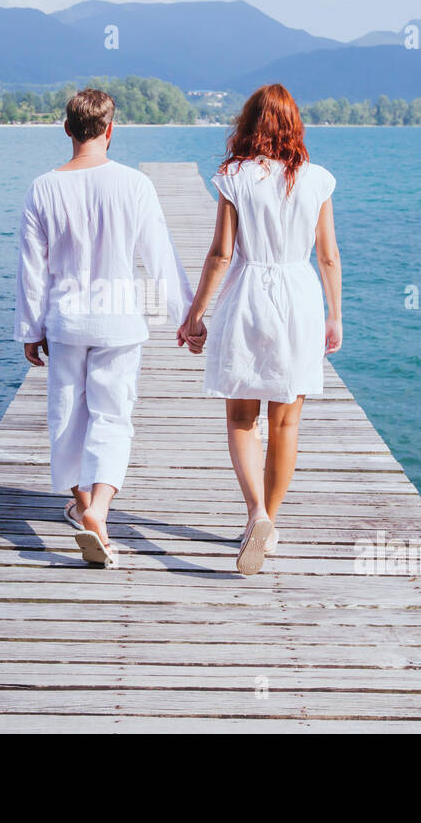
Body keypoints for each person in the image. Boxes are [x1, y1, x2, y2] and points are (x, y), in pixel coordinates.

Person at [15, 88, 194, 568]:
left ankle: (78, 504)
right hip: (120, 322)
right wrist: (188, 316)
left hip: (67, 321)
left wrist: (30, 329)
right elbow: (161, 258)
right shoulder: (135, 185)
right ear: (111, 131)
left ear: (67, 129)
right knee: (113, 418)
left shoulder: (42, 187)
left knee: (69, 416)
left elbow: (33, 269)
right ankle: (98, 508)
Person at [177, 83, 343, 575]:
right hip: (300, 296)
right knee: (285, 422)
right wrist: (336, 315)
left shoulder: (233, 177)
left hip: (248, 294)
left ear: (247, 124)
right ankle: (270, 522)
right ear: (295, 125)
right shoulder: (316, 180)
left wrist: (194, 316)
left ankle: (255, 514)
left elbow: (222, 254)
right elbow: (328, 255)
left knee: (240, 418)